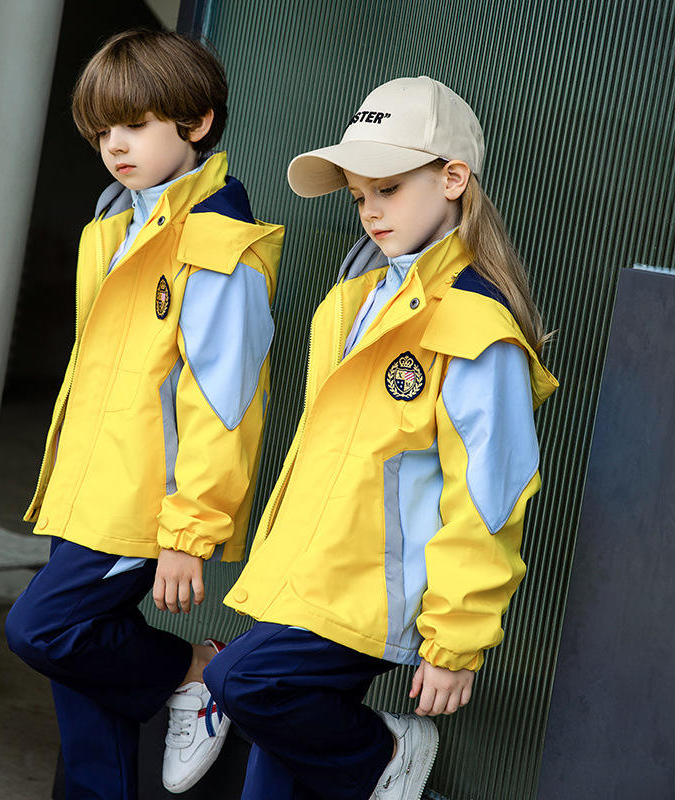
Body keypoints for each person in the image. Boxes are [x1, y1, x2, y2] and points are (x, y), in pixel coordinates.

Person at [203, 76, 558, 800]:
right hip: (310, 578)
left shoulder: (474, 326)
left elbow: (488, 499)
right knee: (272, 775)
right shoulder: (354, 301)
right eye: (359, 195)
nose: (370, 211)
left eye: (389, 189)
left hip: (374, 595)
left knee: (241, 680)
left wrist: (456, 641)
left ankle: (384, 753)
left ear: (453, 179)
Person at [4, 29, 283, 799]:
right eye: (102, 131)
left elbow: (223, 408)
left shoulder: (218, 250)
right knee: (80, 678)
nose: (114, 146)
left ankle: (199, 670)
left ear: (197, 122)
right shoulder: (116, 226)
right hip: (84, 490)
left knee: (42, 629)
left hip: (141, 505)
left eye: (134, 125)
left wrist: (188, 534)